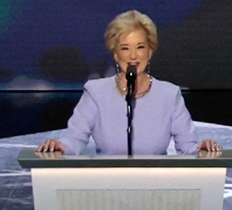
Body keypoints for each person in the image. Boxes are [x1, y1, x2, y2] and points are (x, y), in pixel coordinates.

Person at [38, 8, 221, 159]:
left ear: (150, 51)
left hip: (157, 184)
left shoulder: (169, 95)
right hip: (107, 184)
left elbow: (188, 147)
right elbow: (74, 140)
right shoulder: (95, 92)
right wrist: (59, 146)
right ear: (115, 54)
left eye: (140, 47)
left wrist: (202, 149)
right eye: (125, 48)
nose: (133, 56)